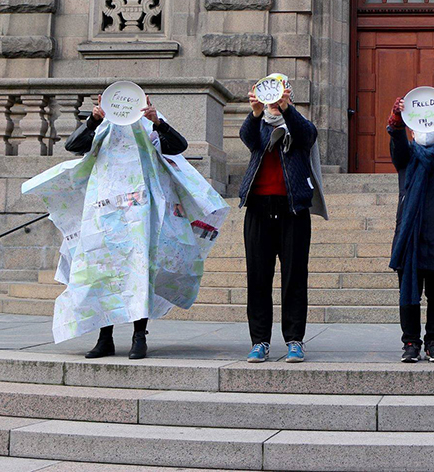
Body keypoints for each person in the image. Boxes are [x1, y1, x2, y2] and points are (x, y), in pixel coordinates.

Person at [53, 93, 222, 360]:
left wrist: (158, 122)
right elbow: (73, 146)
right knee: (101, 270)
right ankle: (104, 338)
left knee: (140, 270)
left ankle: (138, 336)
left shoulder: (149, 123)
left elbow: (178, 146)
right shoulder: (103, 125)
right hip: (104, 211)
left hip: (141, 212)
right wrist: (93, 120)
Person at [238, 82, 319, 363]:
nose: (273, 103)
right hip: (259, 208)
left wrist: (287, 108)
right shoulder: (259, 125)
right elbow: (247, 138)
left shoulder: (300, 125)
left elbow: (306, 137)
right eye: (269, 98)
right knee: (257, 278)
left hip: (293, 210)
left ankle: (294, 340)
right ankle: (259, 341)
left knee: (294, 277)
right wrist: (256, 112)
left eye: (278, 98)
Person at [388, 97, 434, 363]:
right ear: (412, 129)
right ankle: (410, 342)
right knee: (408, 292)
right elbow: (396, 143)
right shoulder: (406, 158)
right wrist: (397, 119)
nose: (426, 132)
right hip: (409, 236)